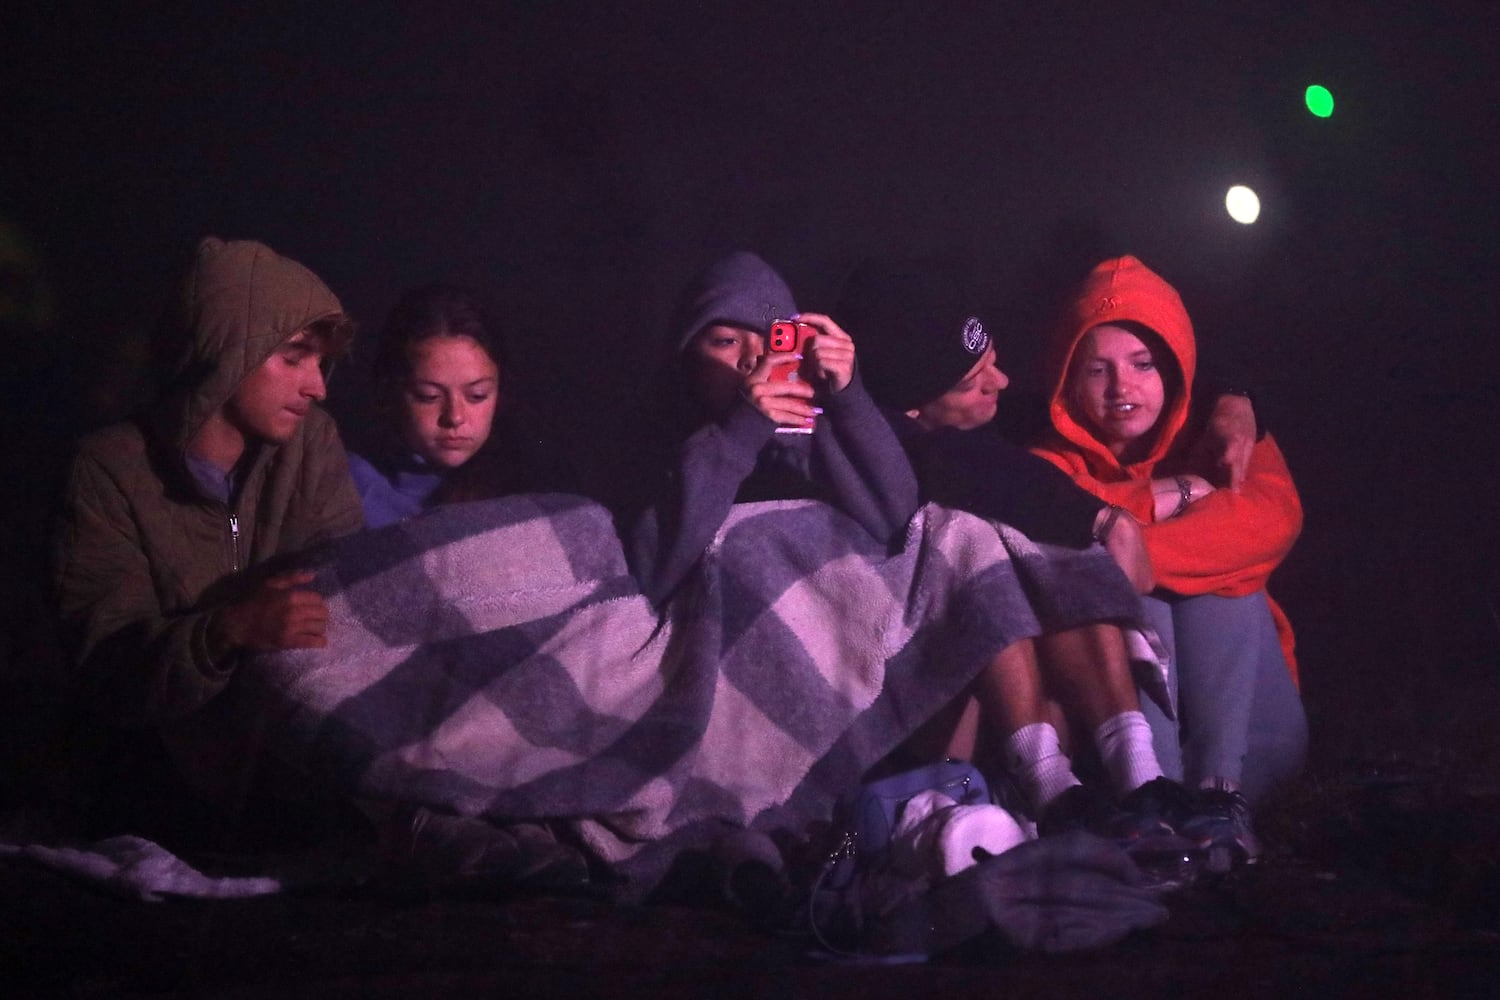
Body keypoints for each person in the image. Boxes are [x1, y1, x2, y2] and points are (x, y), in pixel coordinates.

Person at [838, 258, 1196, 844]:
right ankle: (1053, 788)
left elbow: (1175, 378)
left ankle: (1142, 778)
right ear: (910, 406)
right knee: (979, 539)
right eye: (971, 379)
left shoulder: (1011, 419)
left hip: (1041, 692)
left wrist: (1238, 399)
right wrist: (1100, 514)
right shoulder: (879, 452)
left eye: (995, 362)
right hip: (914, 690)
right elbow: (944, 463)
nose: (999, 382)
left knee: (1054, 550)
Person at [52, 236, 363, 841]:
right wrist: (229, 630)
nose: (317, 386)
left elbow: (345, 588)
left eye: (321, 364)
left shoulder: (311, 446)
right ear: (228, 350)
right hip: (154, 769)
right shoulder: (108, 469)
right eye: (294, 357)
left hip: (279, 751)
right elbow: (104, 668)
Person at [1031, 254, 1308, 867]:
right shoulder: (1046, 466)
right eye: (1096, 369)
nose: (1121, 388)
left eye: (1142, 365)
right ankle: (1157, 800)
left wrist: (1130, 539)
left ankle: (1218, 799)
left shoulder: (1226, 436)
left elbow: (1270, 521)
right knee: (1138, 583)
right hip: (1126, 753)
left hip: (1253, 731)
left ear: (1175, 367)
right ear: (1067, 379)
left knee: (1214, 575)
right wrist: (1179, 500)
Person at [620, 251, 919, 607]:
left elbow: (902, 530)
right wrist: (740, 432)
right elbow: (651, 575)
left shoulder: (819, 431)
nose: (754, 358)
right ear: (688, 356)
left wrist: (850, 396)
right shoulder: (661, 444)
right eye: (725, 341)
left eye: (773, 338)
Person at [348, 283, 575, 529]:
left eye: (477, 395)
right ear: (389, 392)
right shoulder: (347, 486)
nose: (455, 417)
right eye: (429, 396)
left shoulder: (533, 485)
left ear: (499, 392)